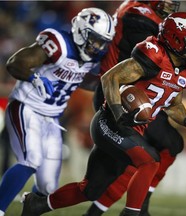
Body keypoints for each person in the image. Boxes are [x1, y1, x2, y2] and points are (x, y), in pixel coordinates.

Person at [21, 11, 186, 216]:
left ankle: (37, 205)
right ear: (176, 38)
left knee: (90, 189)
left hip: (132, 130)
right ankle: (132, 213)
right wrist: (118, 112)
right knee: (150, 161)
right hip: (111, 122)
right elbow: (110, 78)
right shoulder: (154, 55)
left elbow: (173, 105)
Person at [0, 7, 115, 216]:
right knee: (31, 159)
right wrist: (34, 78)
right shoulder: (59, 43)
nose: (97, 46)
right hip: (26, 106)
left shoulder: (92, 57)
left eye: (102, 42)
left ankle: (28, 210)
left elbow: (83, 80)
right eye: (95, 39)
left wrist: (106, 83)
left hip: (52, 118)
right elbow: (15, 63)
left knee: (47, 187)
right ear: (81, 30)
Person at [84, 1, 186, 215]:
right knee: (163, 146)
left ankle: (127, 209)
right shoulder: (140, 16)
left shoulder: (139, 11)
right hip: (120, 96)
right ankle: (134, 209)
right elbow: (153, 63)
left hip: (131, 95)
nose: (171, 3)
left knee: (153, 153)